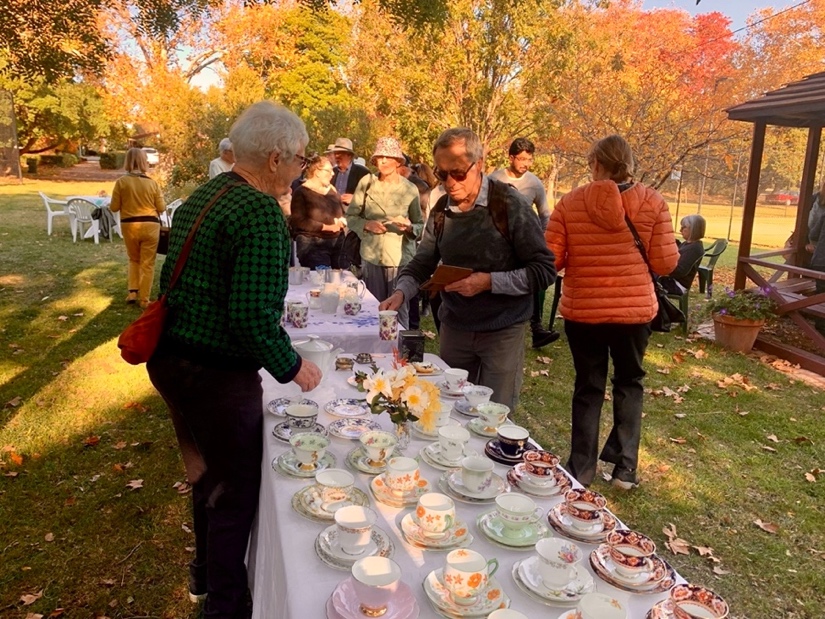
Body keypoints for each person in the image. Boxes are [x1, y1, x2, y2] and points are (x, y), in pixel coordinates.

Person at [146, 101, 322, 618]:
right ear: (274, 159)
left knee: (204, 473)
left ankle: (203, 574)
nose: (302, 169)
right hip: (213, 375)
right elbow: (249, 316)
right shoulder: (260, 213)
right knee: (233, 493)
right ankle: (224, 606)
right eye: (300, 160)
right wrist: (293, 366)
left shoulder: (209, 192)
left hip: (173, 359)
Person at [380, 128, 556, 410]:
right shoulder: (440, 209)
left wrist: (488, 282)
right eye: (441, 173)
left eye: (459, 172)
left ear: (480, 164)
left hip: (502, 330)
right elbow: (422, 261)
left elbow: (543, 271)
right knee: (448, 410)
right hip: (455, 327)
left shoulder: (510, 206)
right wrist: (401, 293)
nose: (450, 182)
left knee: (493, 414)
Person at [545, 134, 678, 490]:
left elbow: (552, 259)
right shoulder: (653, 202)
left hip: (584, 311)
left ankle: (581, 468)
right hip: (634, 313)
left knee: (588, 387)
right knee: (629, 383)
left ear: (596, 164)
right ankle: (625, 469)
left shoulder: (570, 203)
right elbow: (665, 263)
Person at [346, 137, 423, 327]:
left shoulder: (410, 189)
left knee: (398, 310)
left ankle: (402, 353)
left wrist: (409, 227)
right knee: (373, 310)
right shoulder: (367, 182)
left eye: (388, 157)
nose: (383, 161)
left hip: (399, 259)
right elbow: (351, 216)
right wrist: (366, 225)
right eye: (379, 157)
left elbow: (420, 225)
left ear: (398, 161)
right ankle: (374, 354)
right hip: (372, 256)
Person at [490, 138, 555, 348]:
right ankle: (497, 322)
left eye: (529, 159)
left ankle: (537, 328)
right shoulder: (494, 179)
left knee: (535, 278)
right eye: (522, 159)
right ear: (511, 158)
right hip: (498, 241)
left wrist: (542, 238)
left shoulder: (534, 183)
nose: (526, 163)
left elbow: (545, 213)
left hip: (525, 241)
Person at [109, 147, 166, 309]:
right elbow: (161, 208)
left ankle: (132, 292)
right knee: (147, 263)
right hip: (150, 225)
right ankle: (145, 299)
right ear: (144, 162)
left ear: (127, 161)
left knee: (133, 259)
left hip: (129, 225)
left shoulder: (121, 182)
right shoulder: (152, 183)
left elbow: (114, 207)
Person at [290, 153, 347, 268]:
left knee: (340, 280)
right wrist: (327, 227)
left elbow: (340, 211)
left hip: (337, 244)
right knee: (321, 281)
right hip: (313, 245)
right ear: (317, 172)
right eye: (328, 170)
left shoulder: (332, 190)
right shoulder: (302, 192)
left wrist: (342, 221)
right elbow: (299, 221)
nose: (332, 173)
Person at [659, 214, 706, 295]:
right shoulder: (688, 244)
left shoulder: (694, 248)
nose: (680, 230)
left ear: (693, 229)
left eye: (683, 227)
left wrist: (660, 270)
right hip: (672, 281)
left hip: (677, 285)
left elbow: (679, 271)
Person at [330, 137, 371, 207]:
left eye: (340, 153)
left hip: (353, 214)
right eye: (335, 153)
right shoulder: (331, 172)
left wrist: (355, 199)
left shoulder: (363, 173)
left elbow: (372, 198)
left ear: (349, 155)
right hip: (332, 211)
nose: (336, 156)